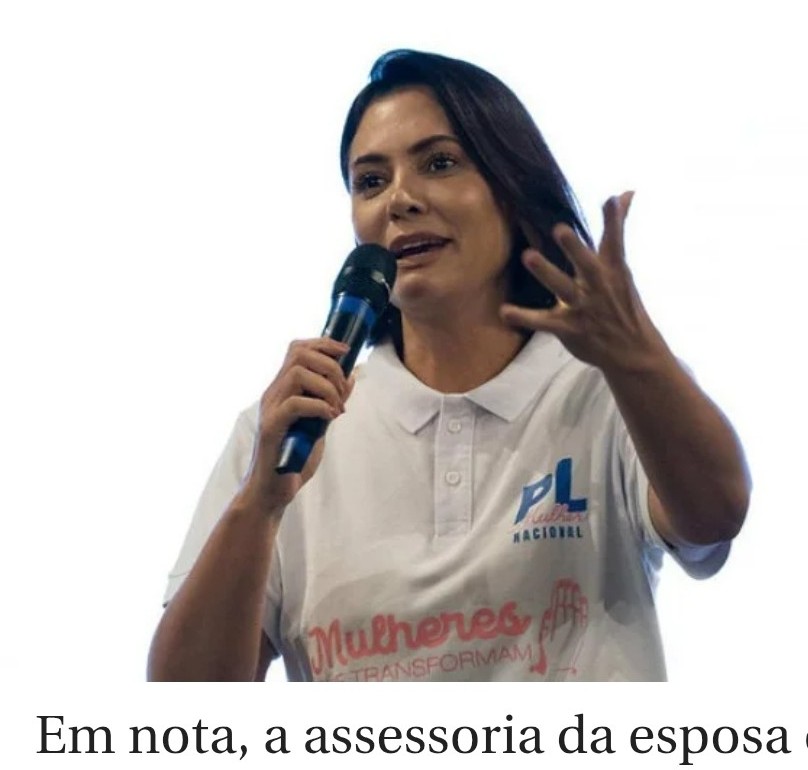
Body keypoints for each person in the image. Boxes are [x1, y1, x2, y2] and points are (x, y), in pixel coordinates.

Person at [148, 49, 751, 682]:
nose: (400, 200)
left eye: (439, 163)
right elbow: (186, 700)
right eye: (370, 181)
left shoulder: (607, 389)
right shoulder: (289, 430)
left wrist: (639, 359)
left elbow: (714, 517)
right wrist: (260, 504)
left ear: (513, 190)